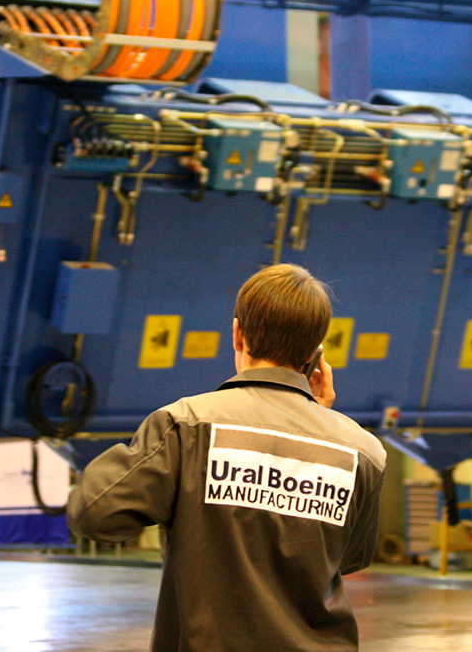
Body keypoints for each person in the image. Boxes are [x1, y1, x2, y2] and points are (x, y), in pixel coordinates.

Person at [68, 264, 387, 652]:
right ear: (316, 354)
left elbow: (94, 514)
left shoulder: (185, 426)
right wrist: (317, 422)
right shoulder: (363, 451)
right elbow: (346, 558)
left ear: (237, 333)